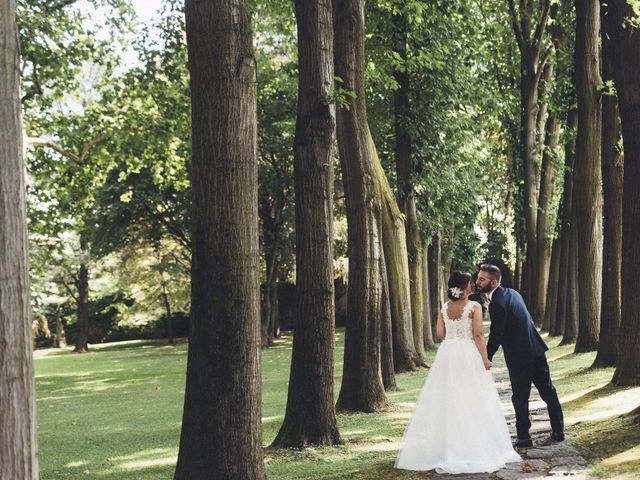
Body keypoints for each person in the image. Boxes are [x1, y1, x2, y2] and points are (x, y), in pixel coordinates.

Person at [395, 272, 521, 474]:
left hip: (448, 354)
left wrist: (453, 336)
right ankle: (473, 444)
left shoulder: (444, 307)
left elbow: (440, 334)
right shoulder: (474, 307)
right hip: (467, 353)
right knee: (473, 397)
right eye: (470, 284)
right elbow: (478, 334)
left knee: (448, 398)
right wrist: (485, 358)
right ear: (464, 288)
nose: (472, 286)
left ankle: (447, 445)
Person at [476, 263, 565, 448]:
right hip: (537, 349)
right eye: (478, 278)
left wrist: (486, 357)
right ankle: (559, 431)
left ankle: (524, 437)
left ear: (493, 283)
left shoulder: (497, 304)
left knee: (520, 396)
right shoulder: (512, 293)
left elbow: (496, 334)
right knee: (548, 390)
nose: (477, 282)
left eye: (481, 279)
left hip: (520, 357)